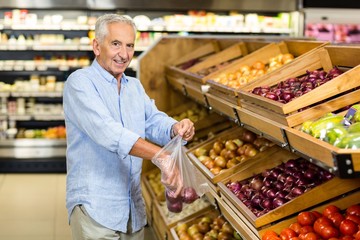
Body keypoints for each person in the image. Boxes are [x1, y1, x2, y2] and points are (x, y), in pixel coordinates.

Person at [63, 13, 195, 240]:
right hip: (97, 207)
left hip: (132, 208)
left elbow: (153, 120)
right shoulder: (79, 83)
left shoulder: (133, 86)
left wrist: (175, 128)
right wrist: (160, 156)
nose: (124, 54)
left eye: (130, 45)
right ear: (96, 46)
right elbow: (108, 132)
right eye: (115, 44)